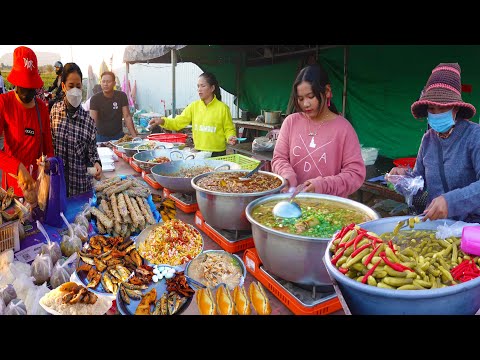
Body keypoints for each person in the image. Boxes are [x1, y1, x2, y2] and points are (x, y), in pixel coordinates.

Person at [387, 62, 480, 223]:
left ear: (455, 108)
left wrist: (450, 202)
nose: (436, 114)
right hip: (437, 226)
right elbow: (418, 182)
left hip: (470, 228)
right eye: (431, 108)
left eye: (442, 108)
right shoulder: (428, 139)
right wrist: (403, 179)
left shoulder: (474, 136)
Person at [271, 64, 365, 197]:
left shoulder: (344, 129)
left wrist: (322, 186)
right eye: (301, 99)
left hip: (329, 207)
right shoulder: (291, 122)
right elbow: (279, 158)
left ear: (327, 91)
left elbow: (355, 174)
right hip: (291, 201)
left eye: (311, 96)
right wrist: (286, 175)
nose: (306, 104)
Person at [0, 46, 54, 198]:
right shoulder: (4, 103)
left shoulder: (41, 108)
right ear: (15, 83)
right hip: (12, 190)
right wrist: (17, 167)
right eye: (22, 86)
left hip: (36, 188)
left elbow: (49, 149)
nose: (26, 93)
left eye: (31, 88)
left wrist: (47, 163)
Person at [148, 72, 237, 157]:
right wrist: (162, 120)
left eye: (203, 86)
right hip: (199, 151)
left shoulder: (223, 108)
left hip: (218, 153)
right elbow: (178, 122)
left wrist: (230, 137)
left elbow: (228, 128)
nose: (199, 89)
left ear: (212, 88)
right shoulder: (193, 106)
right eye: (198, 86)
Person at [50, 63, 102, 197]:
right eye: (71, 86)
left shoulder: (88, 121)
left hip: (80, 189)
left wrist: (96, 164)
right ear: (63, 86)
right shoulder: (54, 111)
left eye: (78, 86)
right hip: (57, 187)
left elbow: (93, 153)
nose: (75, 90)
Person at [90, 71, 137, 142]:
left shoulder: (122, 96)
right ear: (100, 83)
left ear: (114, 83)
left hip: (119, 137)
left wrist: (135, 137)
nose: (105, 84)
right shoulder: (95, 99)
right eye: (103, 81)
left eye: (108, 81)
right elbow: (93, 121)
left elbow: (127, 116)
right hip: (101, 137)